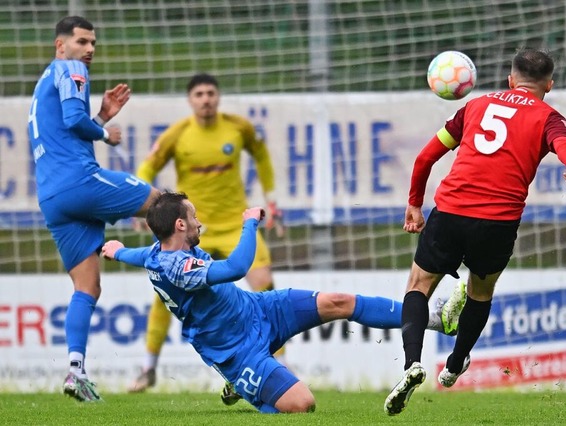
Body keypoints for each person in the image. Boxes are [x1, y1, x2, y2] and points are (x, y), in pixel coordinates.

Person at [101, 191, 465, 413]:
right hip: (237, 350)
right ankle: (243, 386)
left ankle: (437, 317)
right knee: (302, 405)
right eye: (193, 217)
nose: (199, 223)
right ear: (180, 225)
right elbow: (237, 267)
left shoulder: (155, 253)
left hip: (259, 309)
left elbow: (140, 256)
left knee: (338, 300)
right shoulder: (180, 266)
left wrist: (117, 251)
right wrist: (249, 224)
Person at [384, 47, 566, 416]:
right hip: (498, 222)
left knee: (418, 285)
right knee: (480, 293)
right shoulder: (551, 118)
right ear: (550, 84)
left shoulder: (475, 107)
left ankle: (411, 364)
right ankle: (455, 363)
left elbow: (424, 158)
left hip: (451, 209)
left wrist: (415, 204)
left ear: (510, 79)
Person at [27, 16, 161, 402]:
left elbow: (66, 131)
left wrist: (100, 116)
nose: (88, 50)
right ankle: (190, 277)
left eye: (93, 44)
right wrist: (106, 132)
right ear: (60, 45)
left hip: (53, 198)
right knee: (166, 204)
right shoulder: (69, 69)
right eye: (82, 41)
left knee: (87, 287)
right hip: (79, 183)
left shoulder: (43, 84)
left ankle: (75, 372)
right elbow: (75, 122)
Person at [128, 73, 284, 401]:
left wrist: (270, 197)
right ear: (190, 100)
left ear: (218, 96)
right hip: (189, 229)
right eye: (199, 94)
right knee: (165, 294)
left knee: (265, 286)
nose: (206, 99)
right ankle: (148, 367)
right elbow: (146, 168)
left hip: (232, 224)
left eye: (211, 93)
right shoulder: (178, 135)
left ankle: (273, 367)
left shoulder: (238, 127)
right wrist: (143, 206)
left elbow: (261, 155)